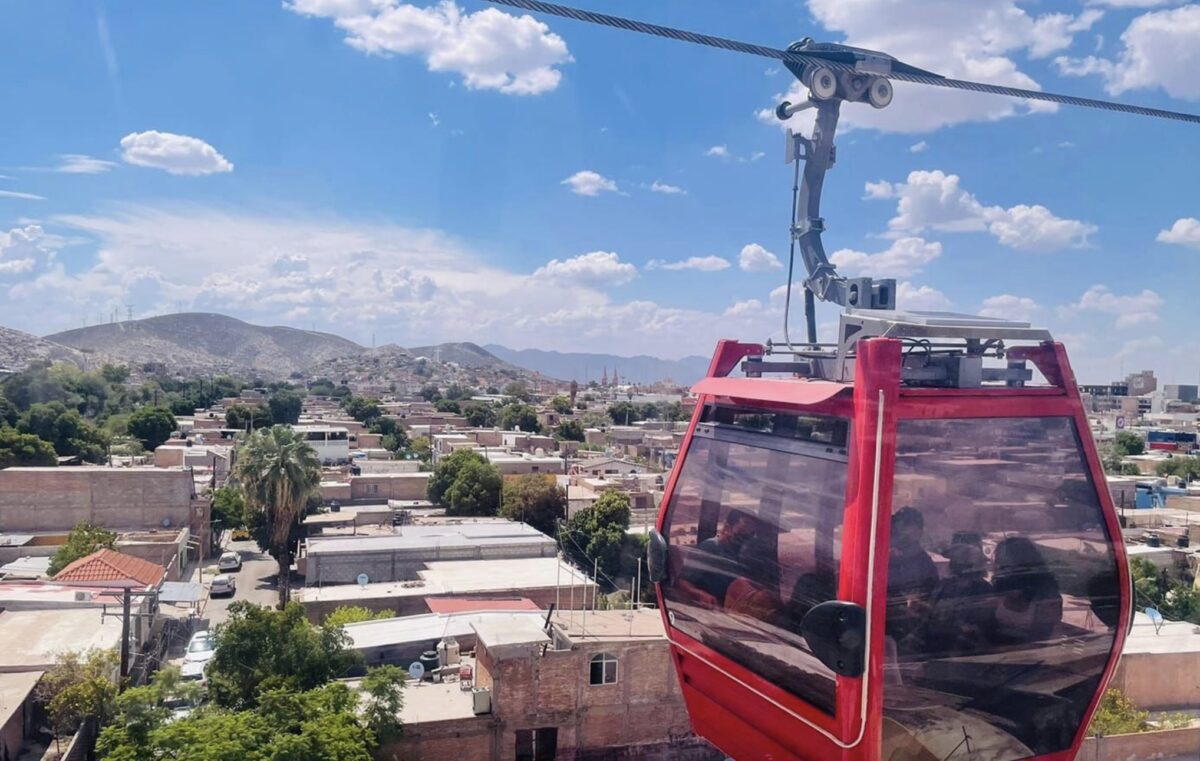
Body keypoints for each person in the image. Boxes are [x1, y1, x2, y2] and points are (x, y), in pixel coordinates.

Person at [990, 536, 1062, 644]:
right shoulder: (1001, 586)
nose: (1001, 567)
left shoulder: (1046, 593)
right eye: (999, 562)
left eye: (1007, 562)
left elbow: (1041, 638)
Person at [885, 507, 939, 651]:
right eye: (897, 528)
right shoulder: (879, 559)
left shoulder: (924, 564)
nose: (900, 534)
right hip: (881, 628)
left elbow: (931, 601)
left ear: (919, 532)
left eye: (907, 527)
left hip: (910, 635)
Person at [686, 509, 760, 602]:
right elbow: (682, 582)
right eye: (741, 535)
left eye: (749, 536)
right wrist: (701, 595)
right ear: (727, 528)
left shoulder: (745, 556)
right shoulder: (710, 547)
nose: (744, 541)